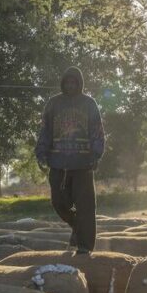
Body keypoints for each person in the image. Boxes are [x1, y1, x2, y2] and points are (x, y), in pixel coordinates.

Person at [35, 66, 105, 253]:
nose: (71, 85)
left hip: (83, 164)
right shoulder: (53, 104)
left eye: (74, 82)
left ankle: (84, 247)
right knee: (58, 203)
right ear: (63, 83)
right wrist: (41, 153)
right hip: (58, 163)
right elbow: (45, 131)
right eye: (68, 82)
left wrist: (96, 153)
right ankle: (76, 225)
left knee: (86, 207)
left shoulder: (89, 103)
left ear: (80, 83)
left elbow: (97, 130)